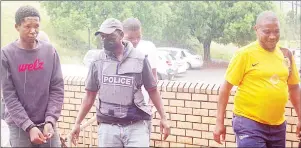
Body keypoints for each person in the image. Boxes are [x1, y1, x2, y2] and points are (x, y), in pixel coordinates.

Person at [70, 18, 170, 147]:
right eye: (103, 36)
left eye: (110, 36)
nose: (105, 39)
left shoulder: (139, 58)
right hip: (108, 128)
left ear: (122, 35)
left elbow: (152, 90)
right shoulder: (97, 61)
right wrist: (77, 123)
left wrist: (164, 117)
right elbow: (90, 95)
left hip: (136, 126)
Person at [213, 11, 301, 147]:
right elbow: (225, 89)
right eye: (267, 32)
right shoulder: (244, 54)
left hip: (278, 126)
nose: (272, 36)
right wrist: (219, 122)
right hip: (249, 123)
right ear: (256, 29)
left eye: (276, 31)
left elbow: (294, 88)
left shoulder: (286, 55)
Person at [1, 5, 64, 147]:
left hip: (47, 125)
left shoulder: (50, 52)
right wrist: (28, 126)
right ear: (17, 27)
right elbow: (9, 96)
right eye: (27, 26)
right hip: (19, 128)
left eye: (36, 26)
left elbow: (57, 89)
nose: (33, 31)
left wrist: (50, 120)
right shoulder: (6, 54)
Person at [122, 17, 158, 133]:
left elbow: (154, 78)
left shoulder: (148, 48)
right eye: (130, 38)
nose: (135, 41)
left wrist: (151, 104)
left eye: (138, 37)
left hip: (142, 110)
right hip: (120, 113)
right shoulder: (117, 50)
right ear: (122, 35)